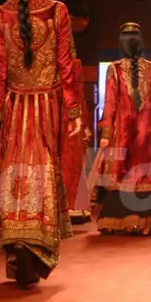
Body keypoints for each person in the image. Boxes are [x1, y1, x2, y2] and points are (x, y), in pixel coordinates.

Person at [0, 0, 81, 288]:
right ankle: (37, 244)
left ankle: (17, 243)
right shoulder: (57, 11)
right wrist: (73, 109)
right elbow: (67, 64)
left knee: (14, 169)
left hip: (14, 106)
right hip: (47, 106)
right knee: (43, 166)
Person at [90, 23, 151, 235]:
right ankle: (147, 221)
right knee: (146, 177)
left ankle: (121, 221)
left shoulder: (114, 69)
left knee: (121, 177)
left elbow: (110, 106)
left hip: (122, 135)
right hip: (148, 137)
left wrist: (106, 134)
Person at [61, 59, 92, 223]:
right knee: (68, 162)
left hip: (68, 118)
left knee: (71, 162)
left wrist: (84, 122)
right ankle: (68, 206)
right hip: (61, 117)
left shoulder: (73, 64)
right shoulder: (73, 64)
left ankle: (72, 206)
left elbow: (79, 95)